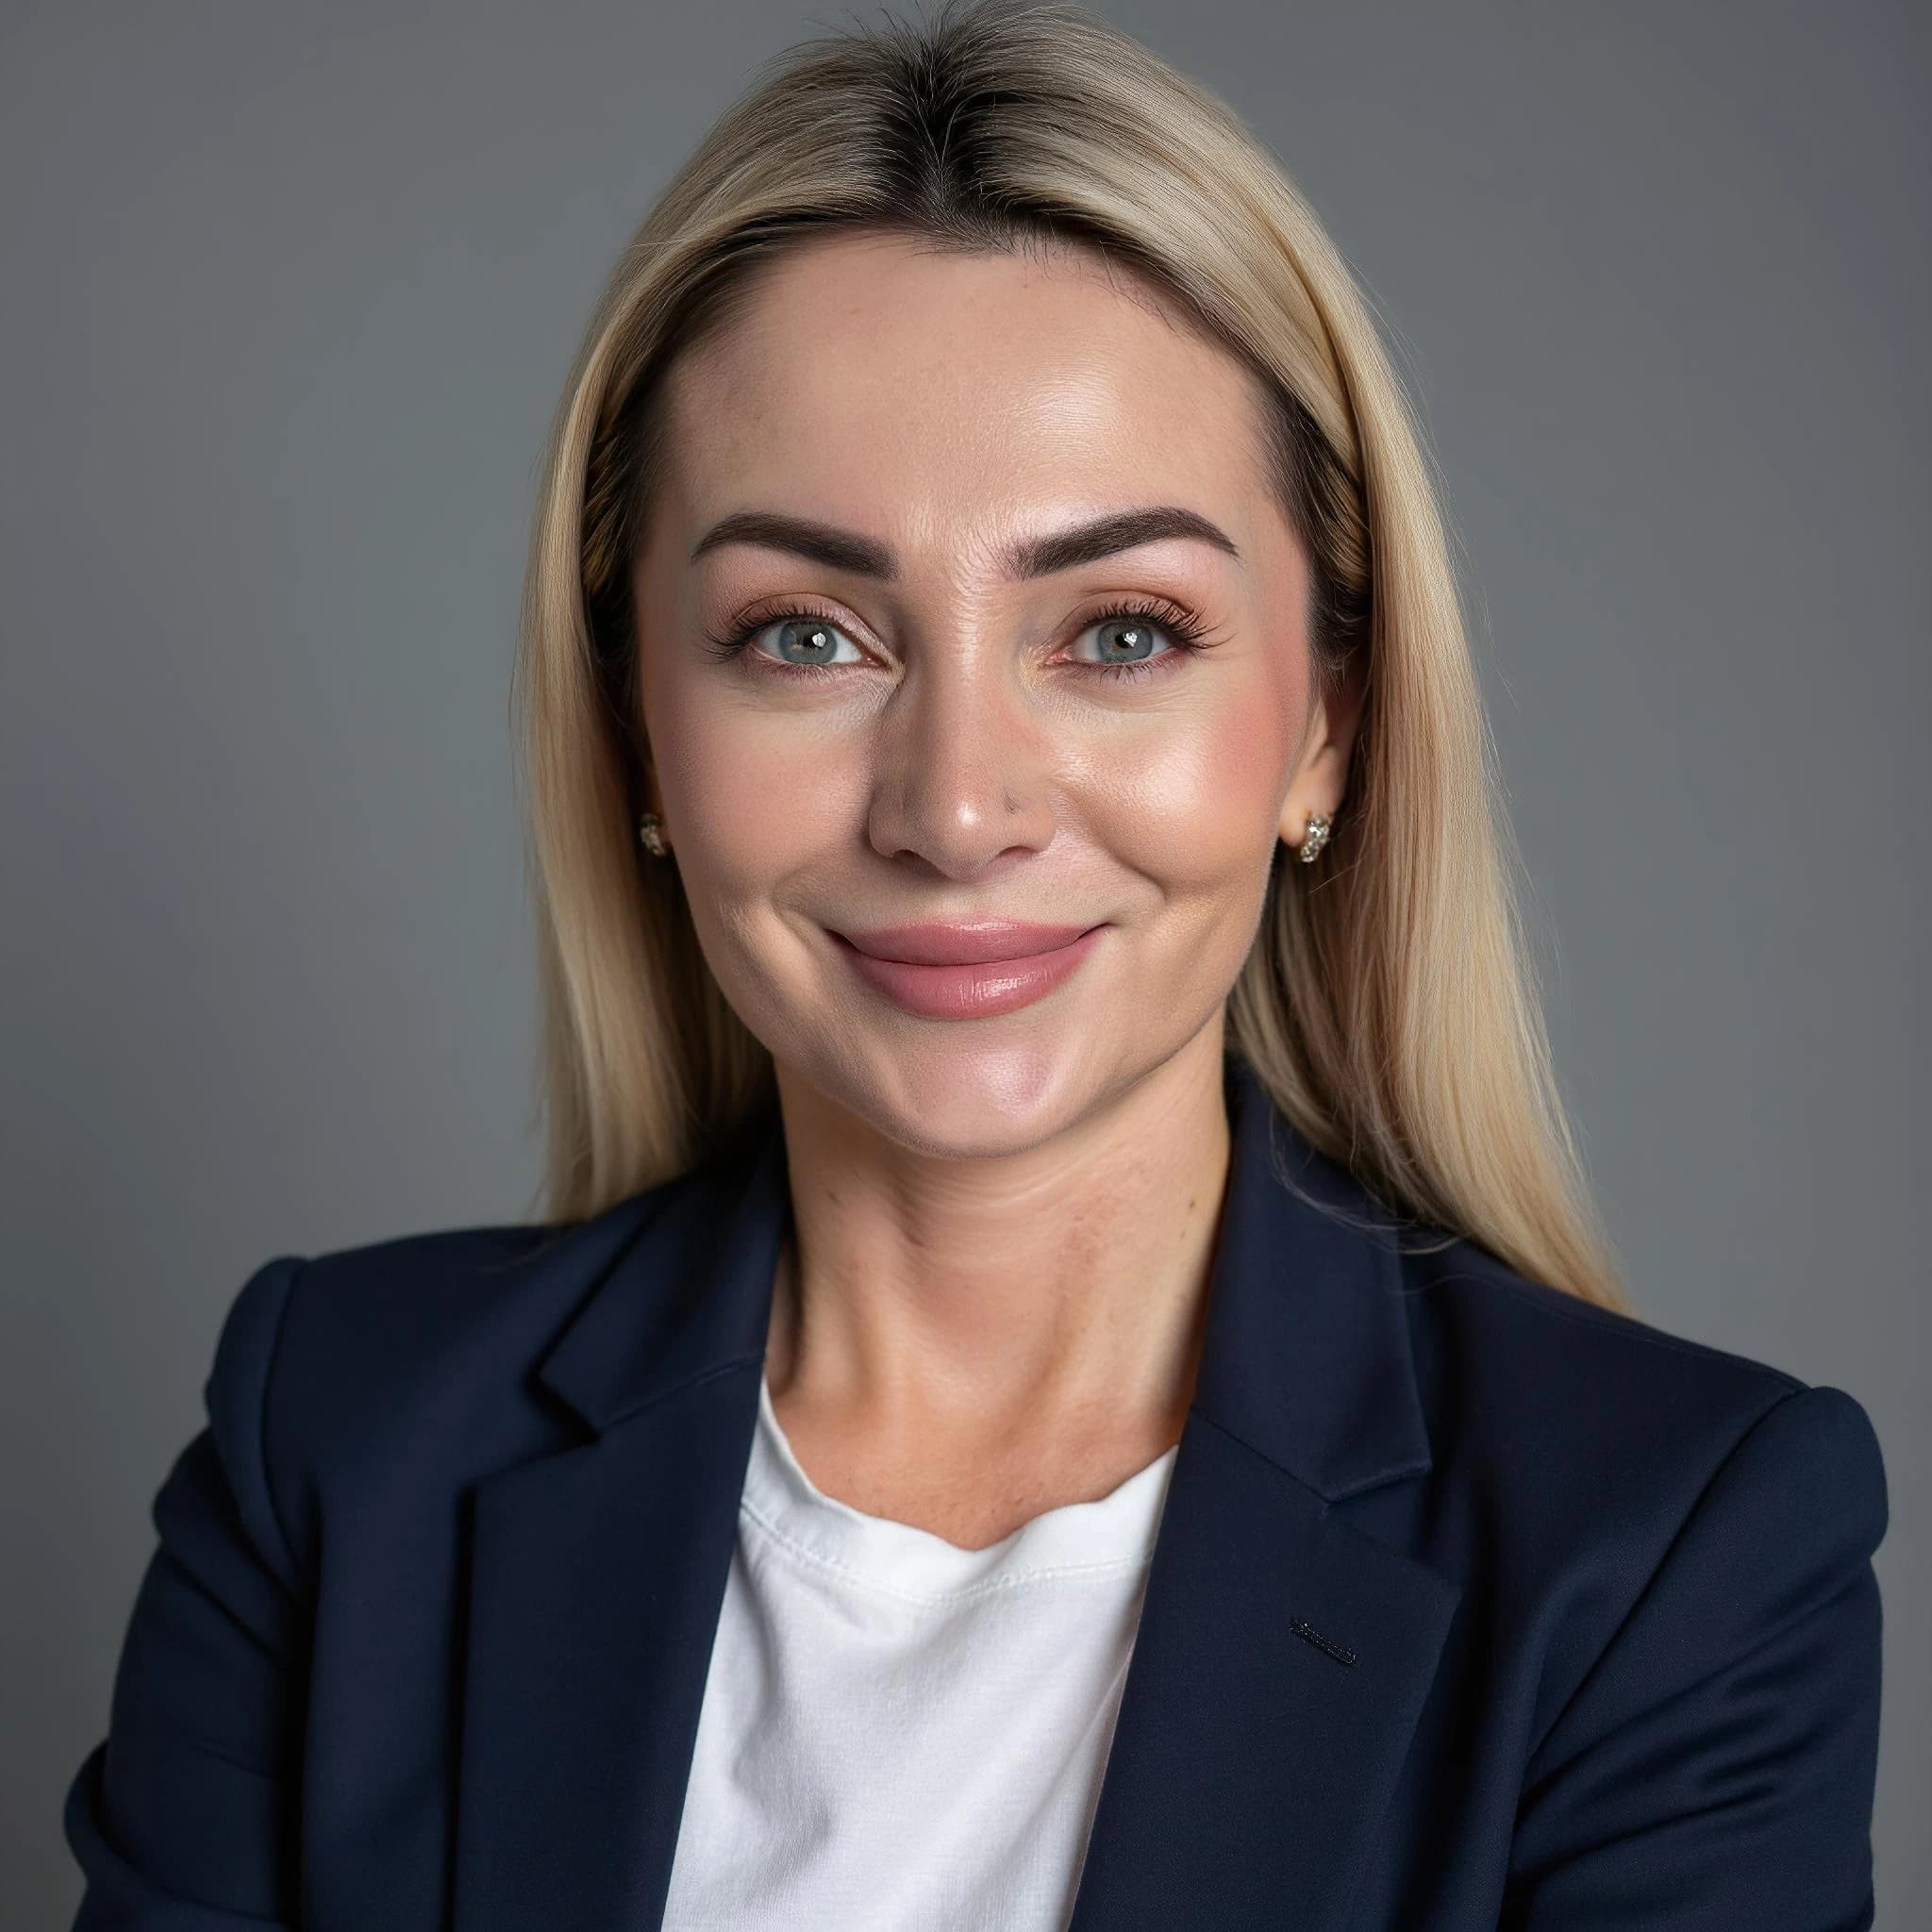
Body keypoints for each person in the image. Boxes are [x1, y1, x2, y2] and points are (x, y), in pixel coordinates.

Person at [62, 3, 1887, 1926]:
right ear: (637, 740)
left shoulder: (1672, 1551)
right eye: (802, 635)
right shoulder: (340, 1451)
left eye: (1115, 632)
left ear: (1328, 722)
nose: (954, 808)